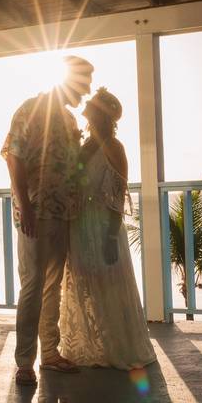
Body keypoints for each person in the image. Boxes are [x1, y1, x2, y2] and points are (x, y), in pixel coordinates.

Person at [1, 56, 93, 386]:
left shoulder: (69, 121)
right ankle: (24, 362)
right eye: (85, 83)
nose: (87, 90)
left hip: (63, 214)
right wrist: (25, 206)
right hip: (36, 212)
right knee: (32, 286)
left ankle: (50, 354)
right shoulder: (31, 108)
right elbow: (14, 157)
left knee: (52, 286)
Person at [59, 88, 157, 370]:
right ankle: (93, 346)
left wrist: (111, 236)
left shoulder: (114, 147)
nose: (85, 107)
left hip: (103, 225)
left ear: (101, 114)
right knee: (86, 283)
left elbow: (117, 193)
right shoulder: (85, 145)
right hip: (80, 224)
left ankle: (119, 346)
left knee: (110, 285)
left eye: (91, 105)